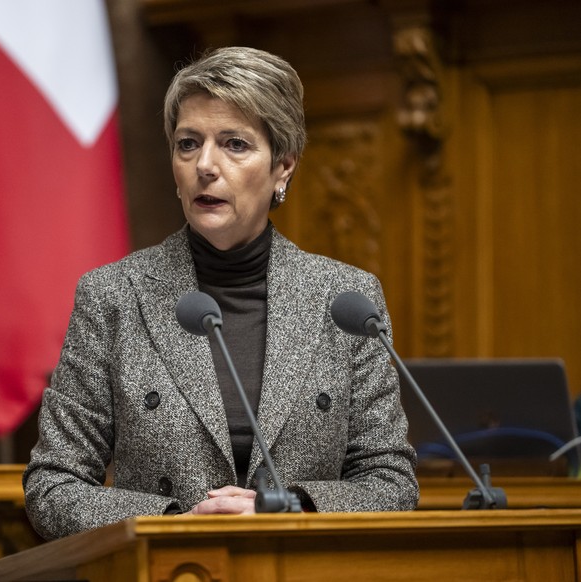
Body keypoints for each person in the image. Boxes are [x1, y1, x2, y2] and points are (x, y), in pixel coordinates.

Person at [23, 46, 418, 540]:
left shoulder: (345, 300)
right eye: (188, 144)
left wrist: (288, 507)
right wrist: (171, 526)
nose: (205, 165)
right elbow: (53, 485)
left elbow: (392, 484)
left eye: (234, 144)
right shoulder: (114, 297)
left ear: (284, 165)